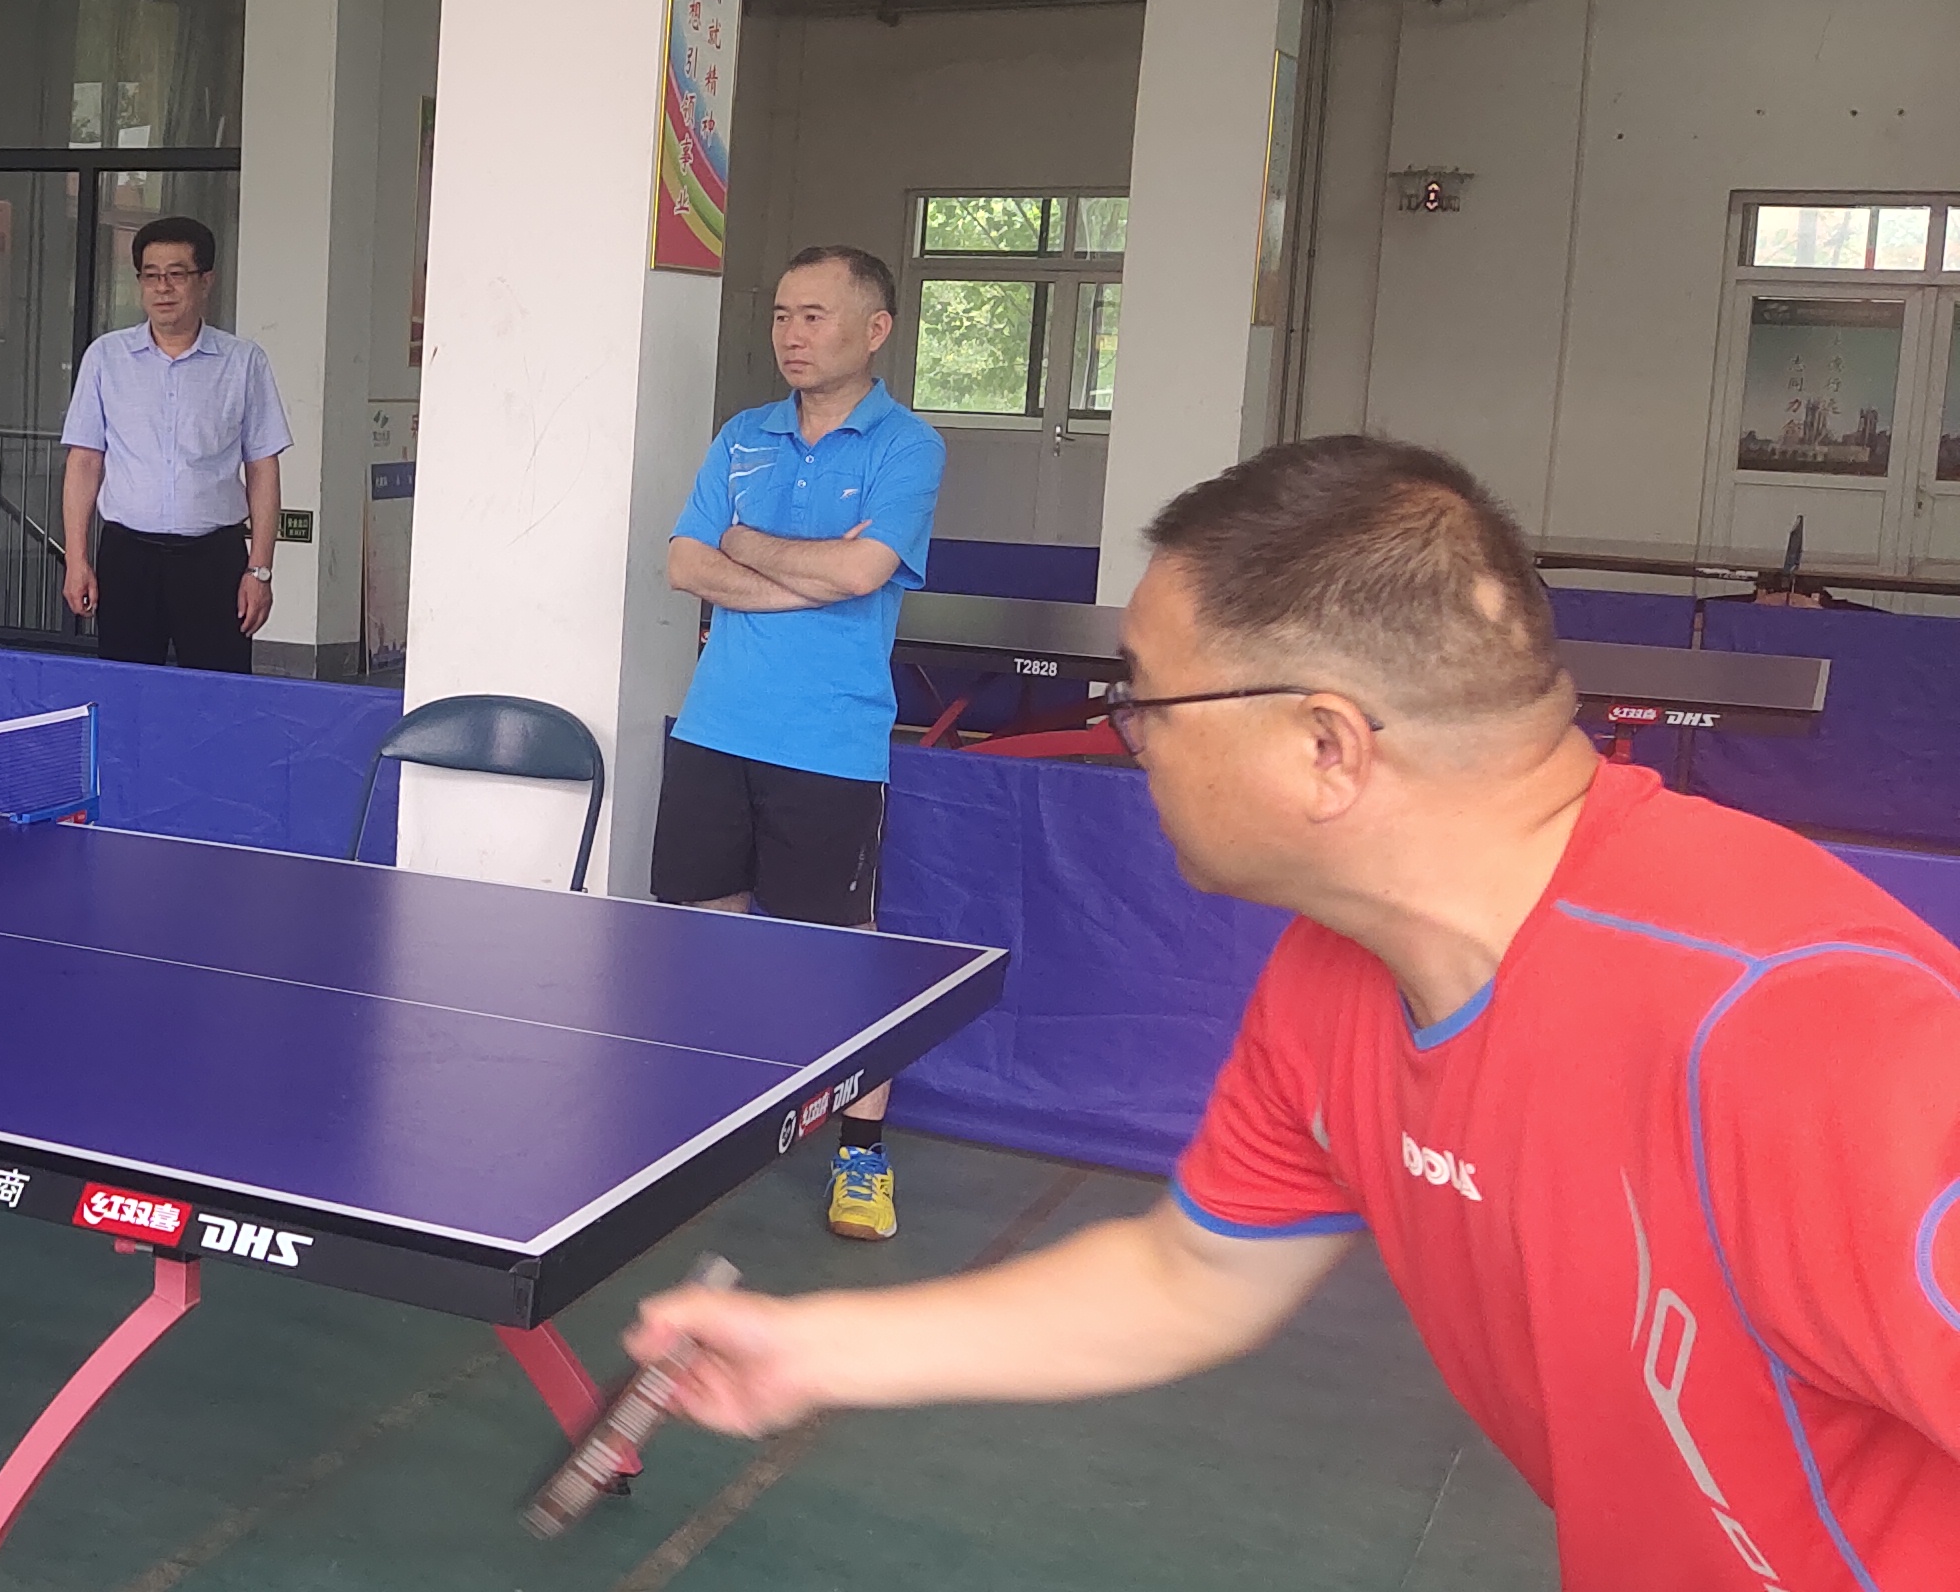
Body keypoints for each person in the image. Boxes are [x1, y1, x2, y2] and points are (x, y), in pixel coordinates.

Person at [630, 437, 1960, 1587]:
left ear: (1328, 746)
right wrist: (816, 1346)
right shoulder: (1336, 976)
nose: (1128, 733)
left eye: (1145, 698)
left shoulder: (1817, 1040)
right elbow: (1193, 1274)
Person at [659, 244, 945, 1240]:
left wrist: (746, 545)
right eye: (782, 314)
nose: (791, 333)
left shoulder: (907, 446)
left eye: (814, 315)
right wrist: (806, 577)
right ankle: (716, 1125)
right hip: (713, 725)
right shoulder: (743, 434)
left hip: (829, 741)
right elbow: (683, 562)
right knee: (707, 938)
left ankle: (862, 1154)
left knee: (838, 959)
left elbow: (864, 572)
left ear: (875, 329)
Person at [59, 216, 291, 672]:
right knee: (128, 690)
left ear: (206, 280)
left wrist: (259, 569)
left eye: (176, 274)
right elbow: (84, 461)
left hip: (213, 560)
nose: (162, 288)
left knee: (218, 693)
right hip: (127, 558)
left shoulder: (243, 363)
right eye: (150, 275)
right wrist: (77, 560)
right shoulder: (106, 358)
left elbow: (263, 468)